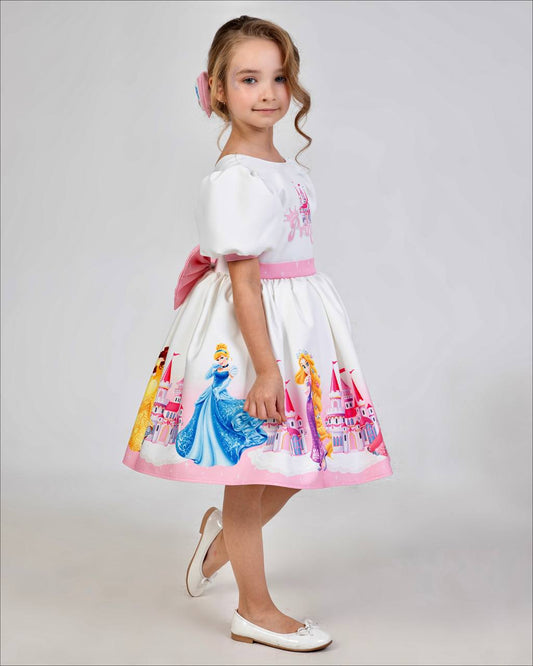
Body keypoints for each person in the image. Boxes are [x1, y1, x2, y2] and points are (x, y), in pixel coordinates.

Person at [122, 14, 393, 653]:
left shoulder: (282, 166)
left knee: (295, 460)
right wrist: (266, 369)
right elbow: (245, 285)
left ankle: (221, 545)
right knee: (248, 474)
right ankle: (254, 609)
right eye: (248, 79)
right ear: (217, 89)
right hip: (251, 336)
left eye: (278, 78)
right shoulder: (235, 178)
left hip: (296, 325)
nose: (267, 93)